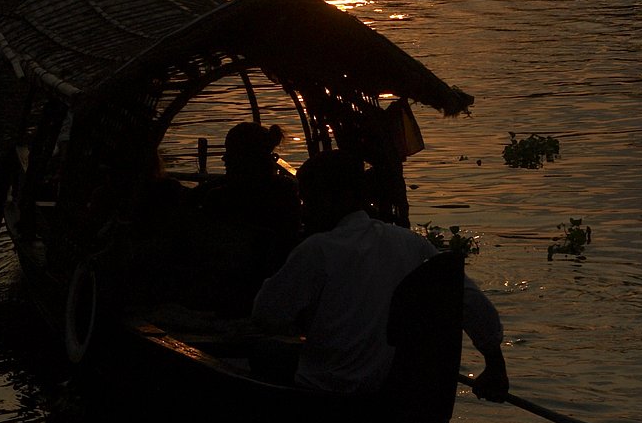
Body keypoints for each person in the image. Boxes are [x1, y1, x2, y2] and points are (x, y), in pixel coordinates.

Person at [250, 149, 509, 399]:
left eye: (311, 200)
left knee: (264, 353)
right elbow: (470, 301)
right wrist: (495, 366)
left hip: (326, 393)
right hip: (395, 395)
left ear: (341, 197)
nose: (304, 211)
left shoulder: (316, 250)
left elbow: (266, 315)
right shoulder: (411, 243)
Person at [201, 121, 302, 291]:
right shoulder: (287, 191)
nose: (224, 159)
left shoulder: (220, 198)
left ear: (242, 158)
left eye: (230, 154)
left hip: (235, 286)